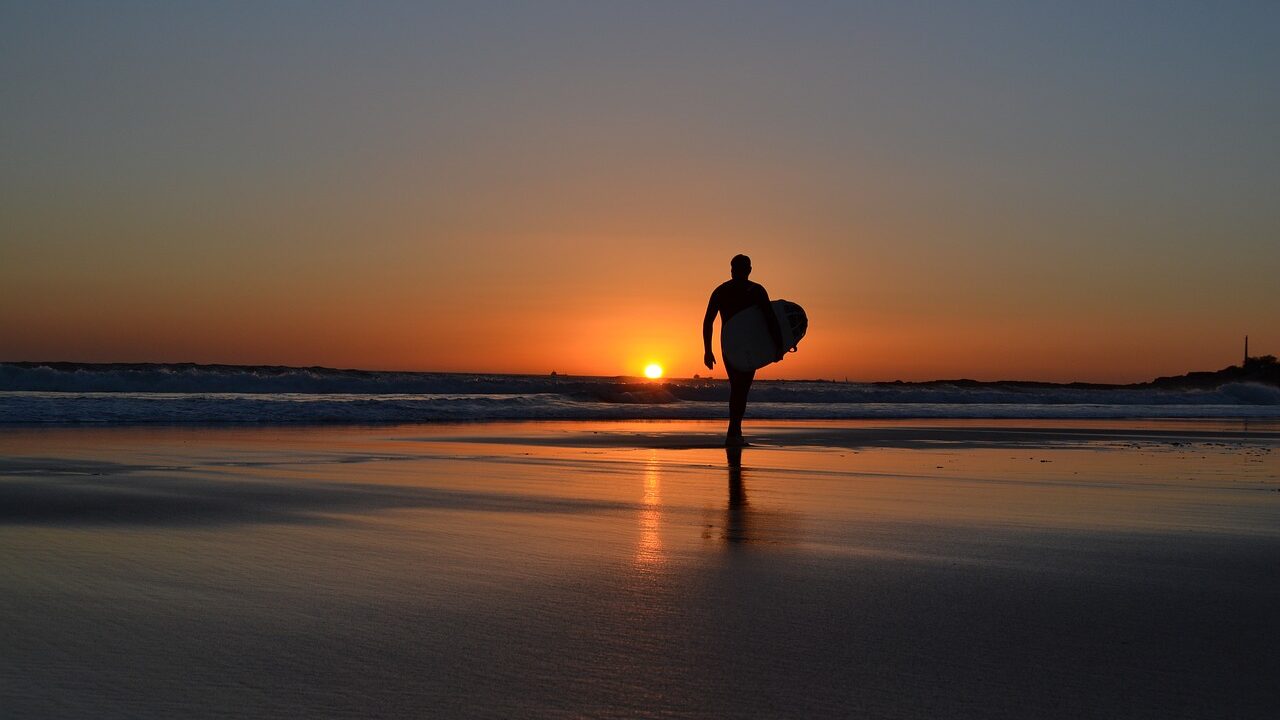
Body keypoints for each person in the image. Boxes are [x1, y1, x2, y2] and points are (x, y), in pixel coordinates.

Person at [703, 254, 784, 445]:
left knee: (737, 388)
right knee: (741, 389)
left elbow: (708, 321)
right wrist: (778, 346)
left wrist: (708, 350)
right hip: (749, 347)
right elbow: (770, 319)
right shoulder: (755, 291)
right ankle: (734, 431)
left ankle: (734, 430)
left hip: (728, 347)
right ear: (749, 270)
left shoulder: (722, 291)